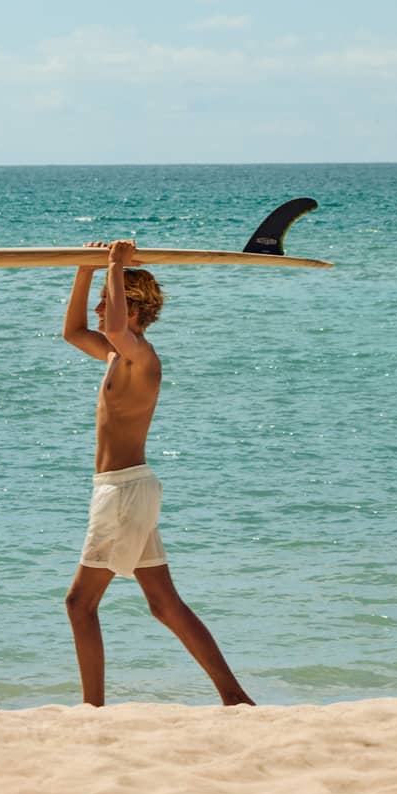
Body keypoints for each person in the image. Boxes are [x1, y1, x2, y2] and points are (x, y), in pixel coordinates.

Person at [60, 239, 254, 707]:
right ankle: (235, 698)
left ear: (133, 309)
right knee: (164, 605)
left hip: (122, 494)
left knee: (80, 604)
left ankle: (92, 709)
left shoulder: (141, 356)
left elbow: (116, 328)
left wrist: (114, 264)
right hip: (126, 491)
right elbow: (72, 332)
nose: (100, 310)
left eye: (107, 301)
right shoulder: (115, 355)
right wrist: (86, 270)